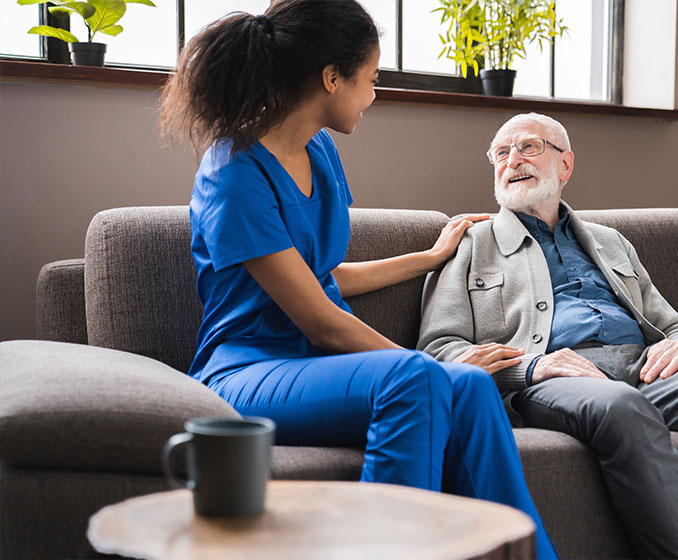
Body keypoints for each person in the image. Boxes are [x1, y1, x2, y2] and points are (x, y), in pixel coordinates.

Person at [159, 3, 557, 559]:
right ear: (331, 78)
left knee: (467, 387)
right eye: (370, 80)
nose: (373, 96)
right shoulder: (233, 172)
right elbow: (321, 322)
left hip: (316, 368)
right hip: (246, 369)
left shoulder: (319, 150)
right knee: (416, 379)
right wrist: (427, 363)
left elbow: (322, 277)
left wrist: (429, 256)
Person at [417, 112, 678, 560]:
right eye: (501, 153)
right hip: (553, 379)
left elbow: (675, 325)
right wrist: (531, 366)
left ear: (565, 164)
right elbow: (439, 349)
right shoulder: (471, 244)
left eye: (528, 147)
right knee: (621, 406)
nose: (512, 160)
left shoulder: (611, 241)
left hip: (643, 367)